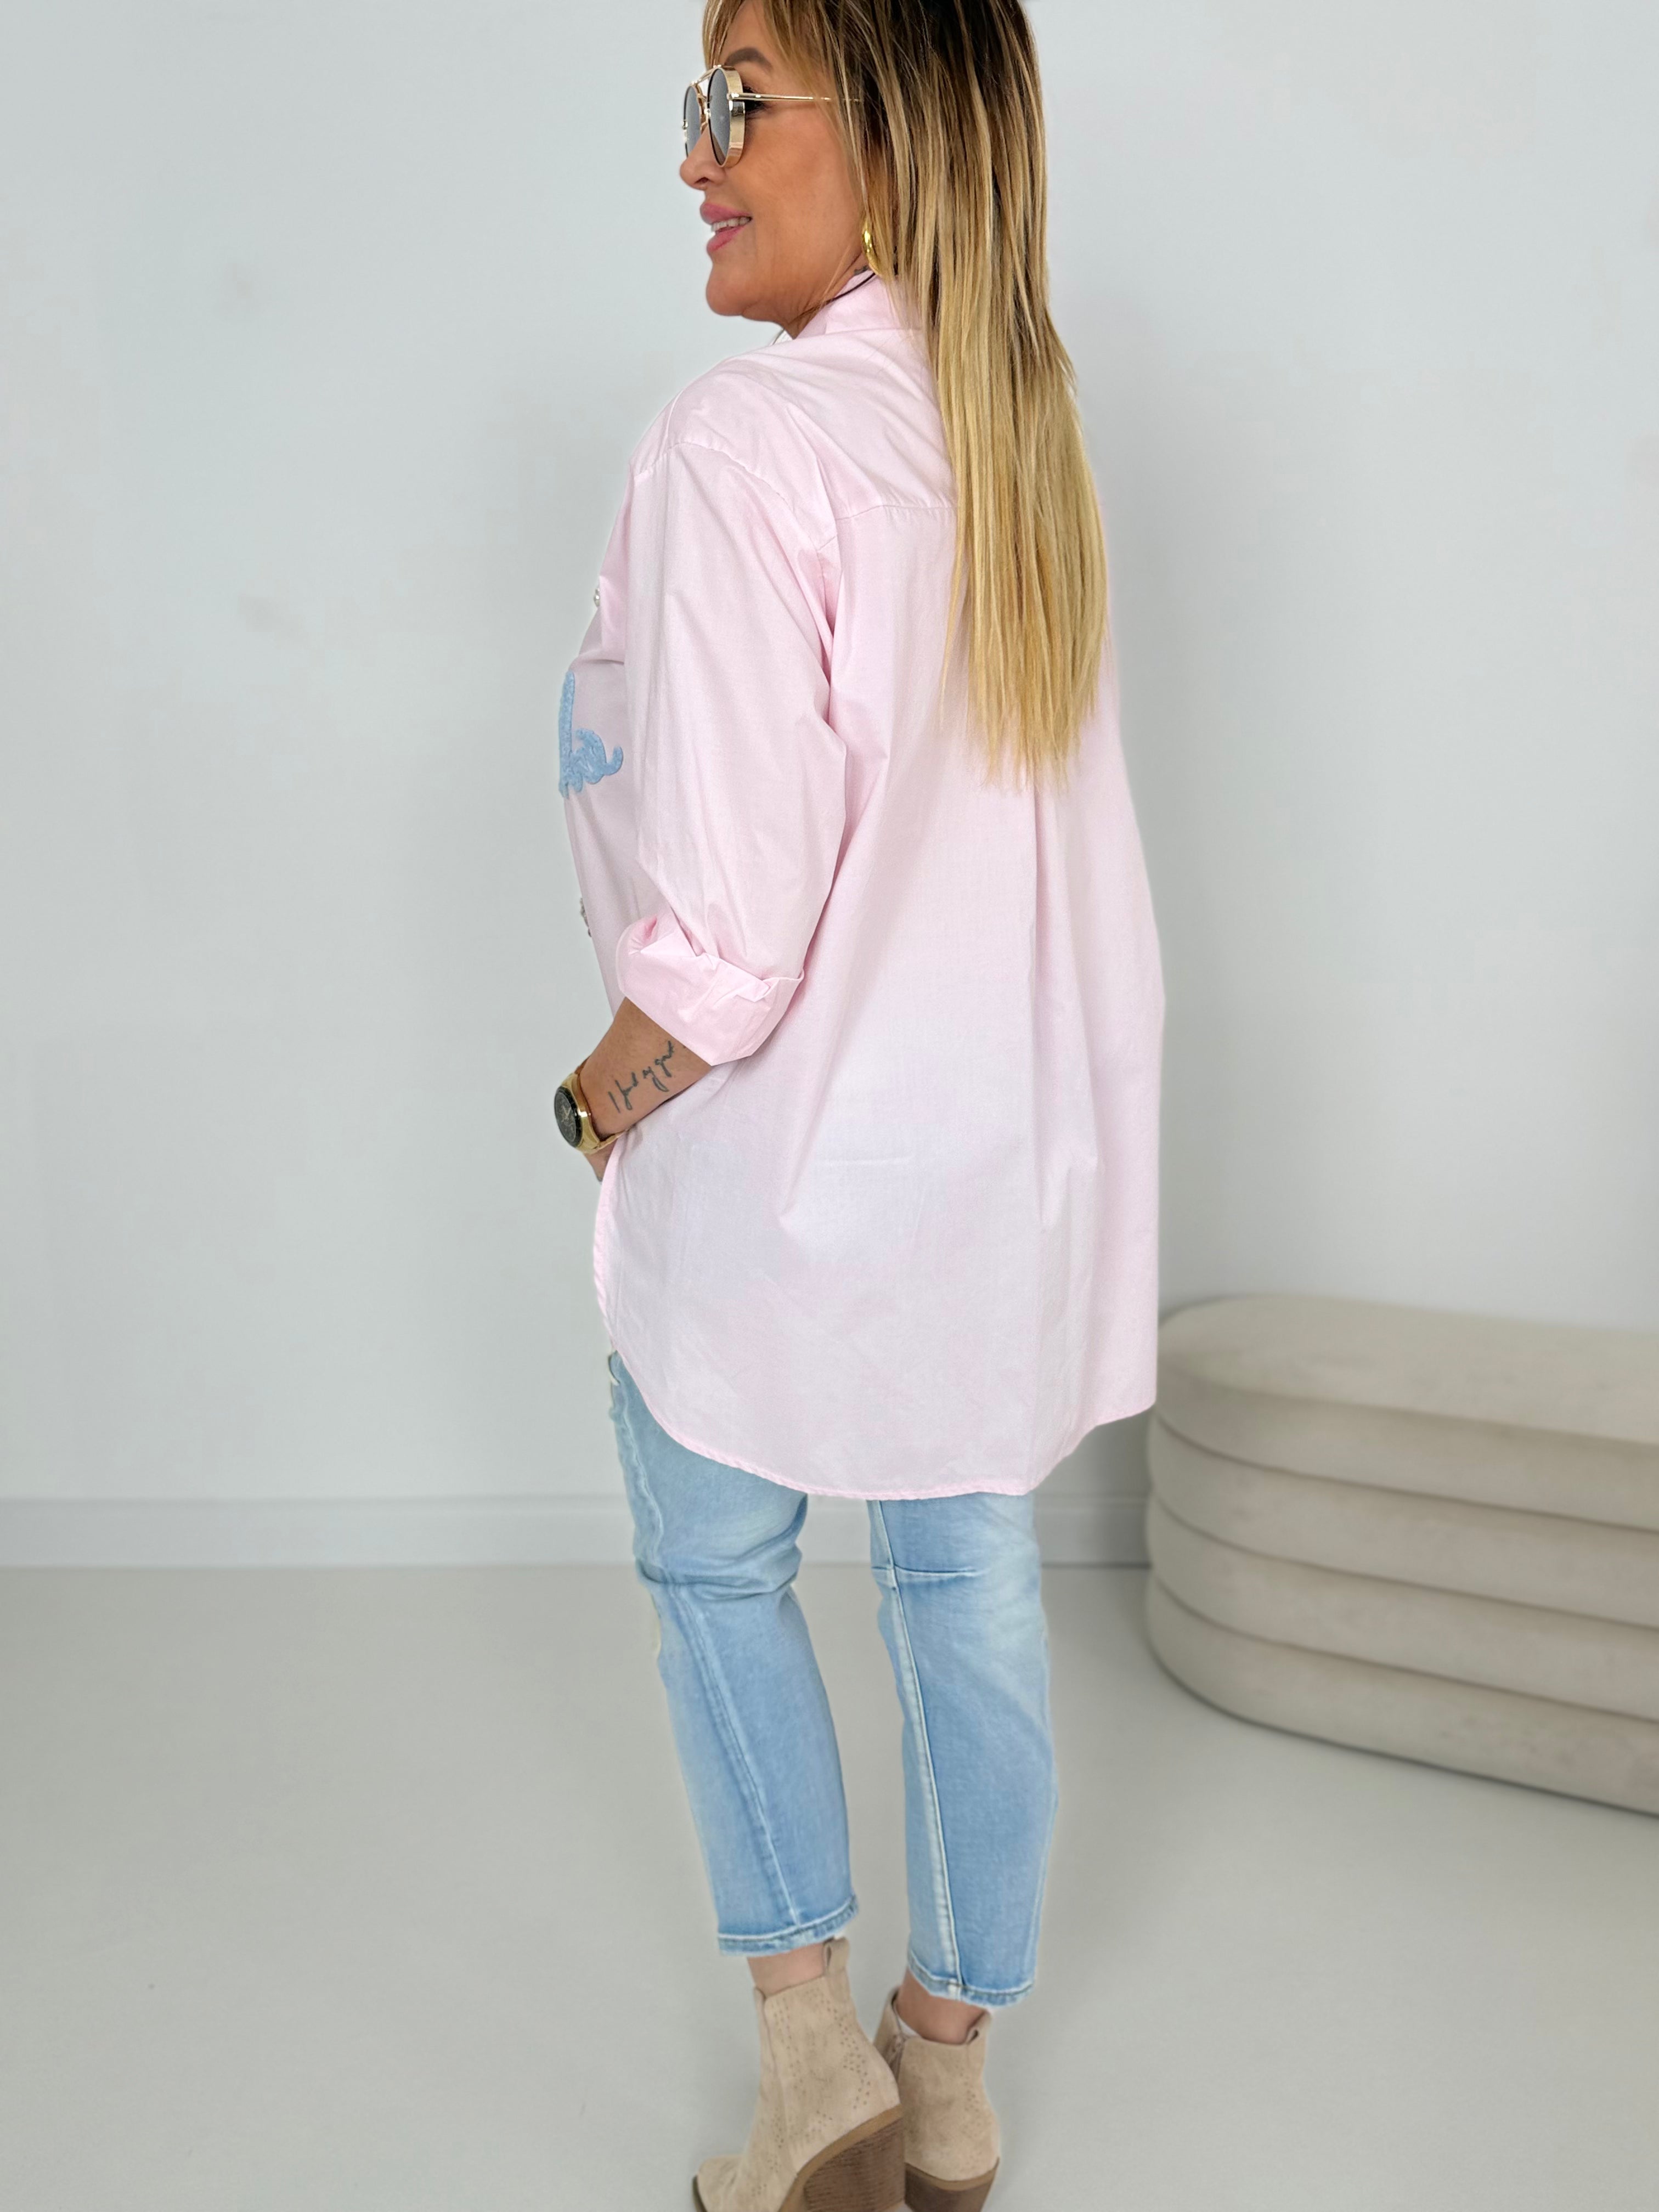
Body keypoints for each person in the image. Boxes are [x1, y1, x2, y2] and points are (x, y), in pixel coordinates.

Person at [551, 4, 1163, 2206]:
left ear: (887, 142)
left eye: (738, 100)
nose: (695, 154)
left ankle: (814, 2065)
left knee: (719, 1562)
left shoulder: (747, 442)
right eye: (693, 103)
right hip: (999, 1155)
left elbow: (726, 936)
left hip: (787, 1146)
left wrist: (595, 1100)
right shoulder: (1010, 433)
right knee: (964, 1577)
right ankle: (950, 2066)